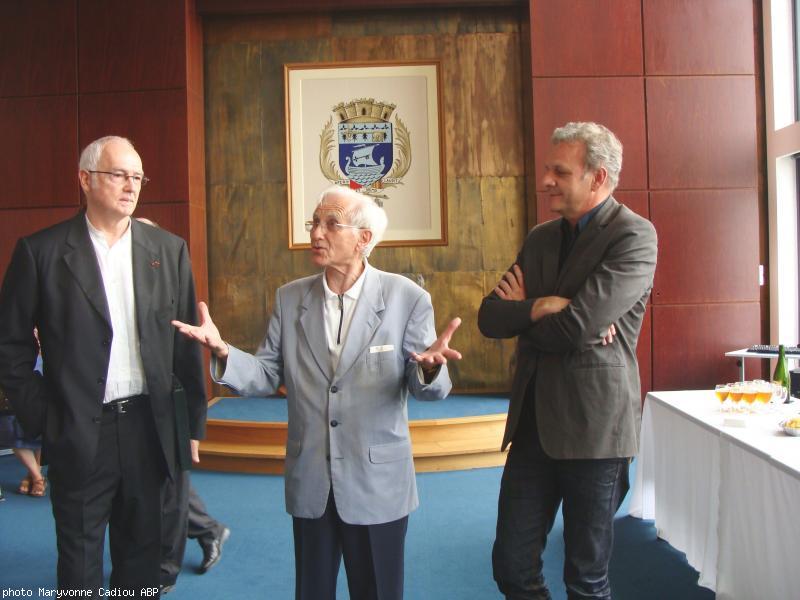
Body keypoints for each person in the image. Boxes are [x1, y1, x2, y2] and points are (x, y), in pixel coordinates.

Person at [172, 185, 462, 600]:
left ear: (364, 239)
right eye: (314, 222)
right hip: (312, 480)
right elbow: (267, 373)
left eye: (331, 224)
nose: (316, 233)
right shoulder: (290, 299)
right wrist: (224, 353)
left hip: (377, 481)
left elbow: (426, 389)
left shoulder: (406, 298)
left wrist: (432, 371)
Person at [0, 136, 207, 595]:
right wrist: (44, 418)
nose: (131, 186)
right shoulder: (42, 252)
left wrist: (191, 421)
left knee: (142, 559)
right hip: (79, 428)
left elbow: (184, 341)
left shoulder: (167, 249)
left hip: (149, 429)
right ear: (85, 180)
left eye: (137, 177)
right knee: (79, 560)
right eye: (119, 175)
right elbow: (10, 347)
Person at [479, 122, 658, 600]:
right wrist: (539, 306)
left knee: (586, 580)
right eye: (547, 170)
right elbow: (490, 317)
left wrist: (533, 320)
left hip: (595, 432)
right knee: (511, 568)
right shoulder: (540, 238)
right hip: (534, 429)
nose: (547, 181)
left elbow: (576, 326)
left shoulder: (634, 236)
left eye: (560, 171)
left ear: (598, 178)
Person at [134, 217, 230, 594]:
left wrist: (193, 425)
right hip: (122, 407)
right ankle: (208, 528)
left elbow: (189, 363)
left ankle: (164, 571)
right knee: (152, 484)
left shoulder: (173, 288)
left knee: (171, 490)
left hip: (167, 402)